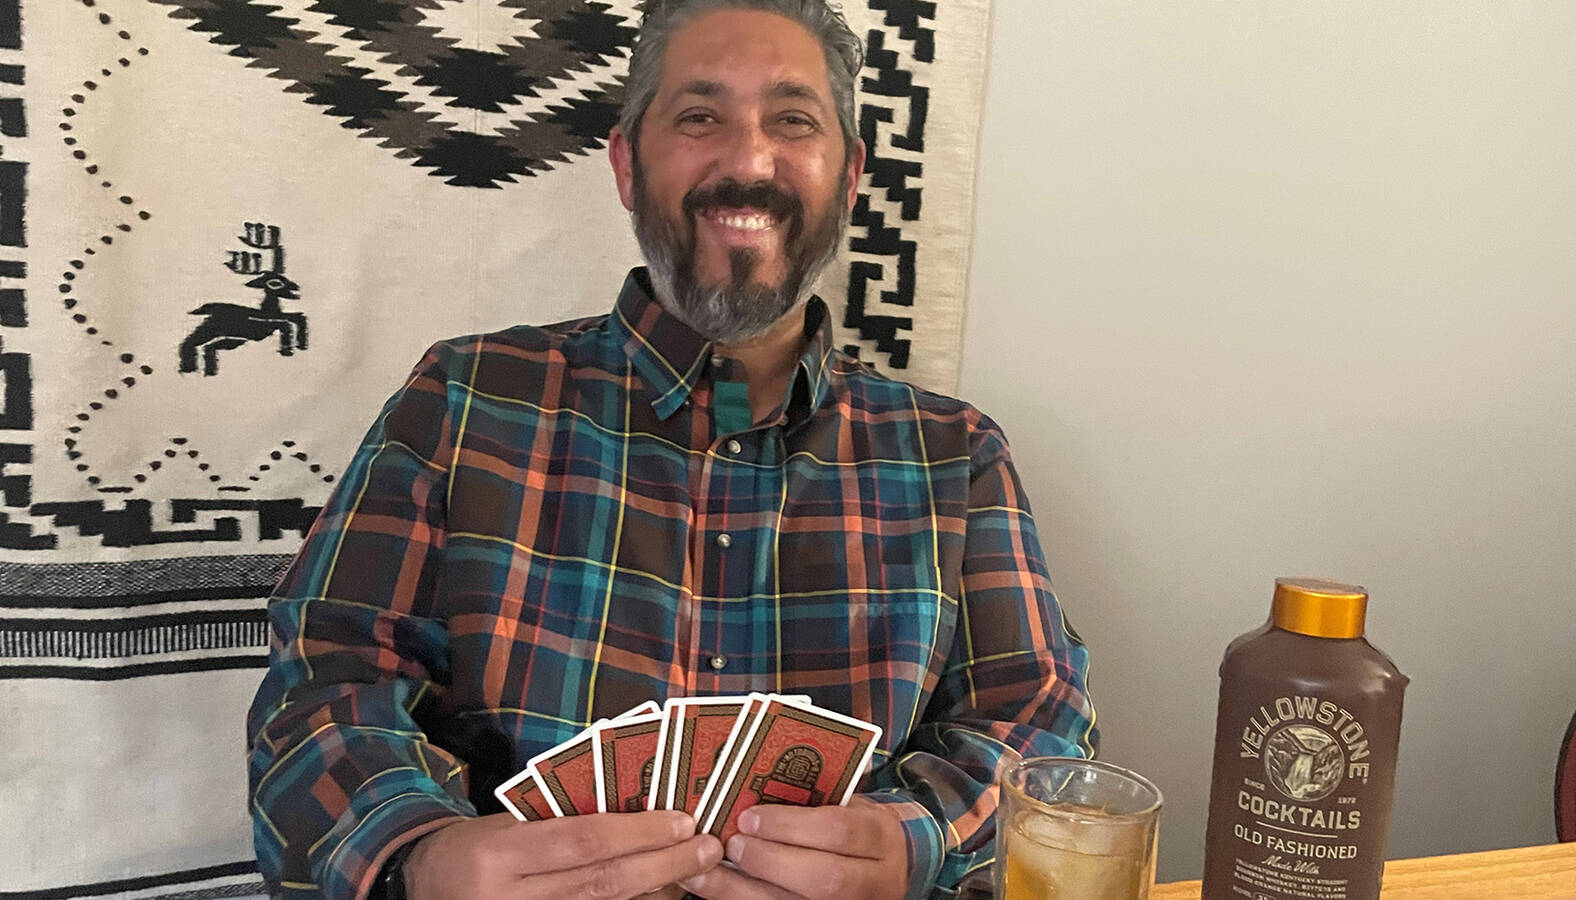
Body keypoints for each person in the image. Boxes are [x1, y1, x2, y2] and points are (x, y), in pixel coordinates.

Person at [246, 1, 1097, 897]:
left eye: (793, 120)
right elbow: (324, 689)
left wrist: (921, 841)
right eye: (699, 117)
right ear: (627, 165)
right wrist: (421, 858)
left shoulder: (956, 455)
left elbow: (1041, 726)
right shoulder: (462, 401)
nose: (749, 163)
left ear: (849, 175)